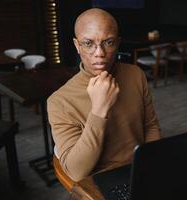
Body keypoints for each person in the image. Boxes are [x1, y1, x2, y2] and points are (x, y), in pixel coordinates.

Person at [47, 8, 161, 182]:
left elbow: (150, 126)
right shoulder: (59, 101)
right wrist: (99, 110)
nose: (99, 53)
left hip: (140, 169)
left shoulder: (135, 74)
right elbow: (76, 171)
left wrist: (153, 162)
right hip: (100, 180)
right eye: (88, 43)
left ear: (118, 43)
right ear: (77, 46)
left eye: (108, 42)